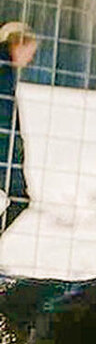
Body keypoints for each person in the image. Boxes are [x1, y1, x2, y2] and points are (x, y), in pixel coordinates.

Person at [0, 21, 37, 238]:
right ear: (18, 44)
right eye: (29, 52)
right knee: (20, 197)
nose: (30, 59)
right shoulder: (4, 70)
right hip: (4, 151)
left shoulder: (7, 69)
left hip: (7, 149)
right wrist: (14, 155)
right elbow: (5, 119)